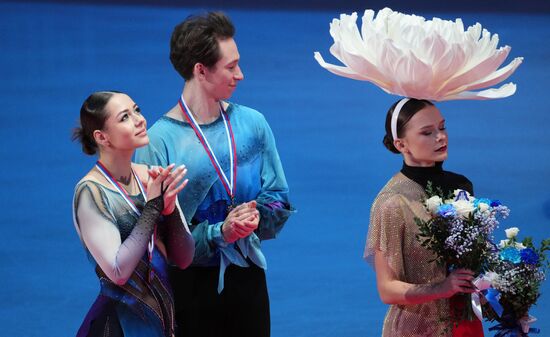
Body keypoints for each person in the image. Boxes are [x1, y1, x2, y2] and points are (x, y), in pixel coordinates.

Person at [134, 12, 293, 337]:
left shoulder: (253, 124)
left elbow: (279, 200)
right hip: (188, 291)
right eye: (230, 66)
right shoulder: (160, 141)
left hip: (248, 279)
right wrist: (220, 232)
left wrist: (255, 218)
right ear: (201, 70)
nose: (241, 74)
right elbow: (151, 238)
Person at [72, 91, 195, 337]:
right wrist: (152, 207)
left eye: (136, 110)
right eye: (125, 117)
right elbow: (118, 272)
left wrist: (169, 211)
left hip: (160, 323)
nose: (139, 119)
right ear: (102, 137)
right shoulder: (90, 192)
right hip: (117, 326)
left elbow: (184, 258)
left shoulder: (151, 176)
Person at [364, 98, 484, 337]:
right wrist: (444, 288)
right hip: (416, 329)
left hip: (465, 325)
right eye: (427, 132)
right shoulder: (391, 202)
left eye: (442, 127)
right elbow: (387, 290)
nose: (441, 137)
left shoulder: (461, 186)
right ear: (401, 145)